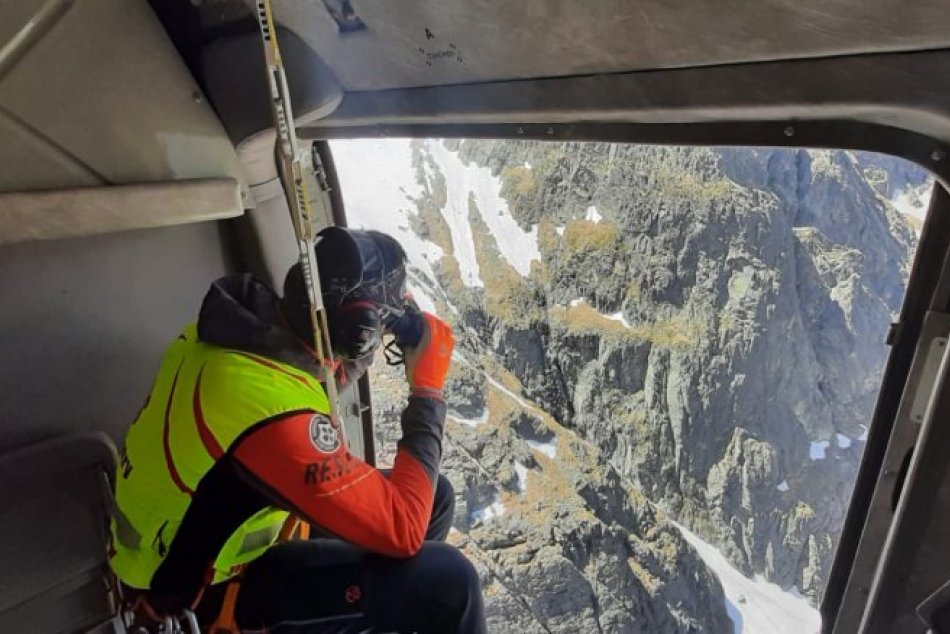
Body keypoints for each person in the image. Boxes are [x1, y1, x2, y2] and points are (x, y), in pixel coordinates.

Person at [109, 226, 486, 633]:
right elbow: (405, 530)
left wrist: (368, 335)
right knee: (450, 583)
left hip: (197, 529)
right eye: (376, 329)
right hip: (195, 584)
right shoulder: (271, 415)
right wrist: (427, 389)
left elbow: (299, 384)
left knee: (437, 496)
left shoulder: (237, 337)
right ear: (359, 330)